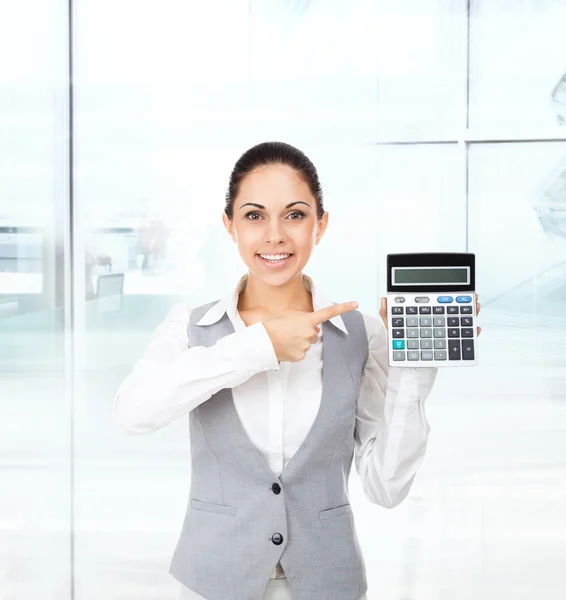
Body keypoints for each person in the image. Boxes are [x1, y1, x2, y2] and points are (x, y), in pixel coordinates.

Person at [113, 141, 482, 600]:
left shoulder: (362, 335)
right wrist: (259, 346)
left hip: (328, 584)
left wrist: (414, 371)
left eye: (294, 214)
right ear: (229, 225)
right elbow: (133, 413)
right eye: (253, 216)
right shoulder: (191, 327)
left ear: (320, 225)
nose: (274, 236)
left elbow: (386, 488)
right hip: (212, 583)